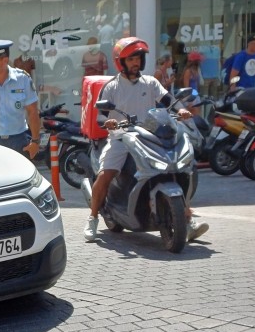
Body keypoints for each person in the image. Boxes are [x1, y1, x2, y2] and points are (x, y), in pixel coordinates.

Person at [82, 37, 209, 243]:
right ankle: (93, 217)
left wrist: (181, 110)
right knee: (105, 175)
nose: (136, 63)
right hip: (121, 138)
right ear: (121, 62)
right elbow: (101, 117)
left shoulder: (150, 82)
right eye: (131, 59)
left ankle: (186, 220)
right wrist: (109, 123)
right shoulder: (112, 87)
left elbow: (168, 100)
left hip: (150, 137)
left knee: (176, 169)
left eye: (138, 59)